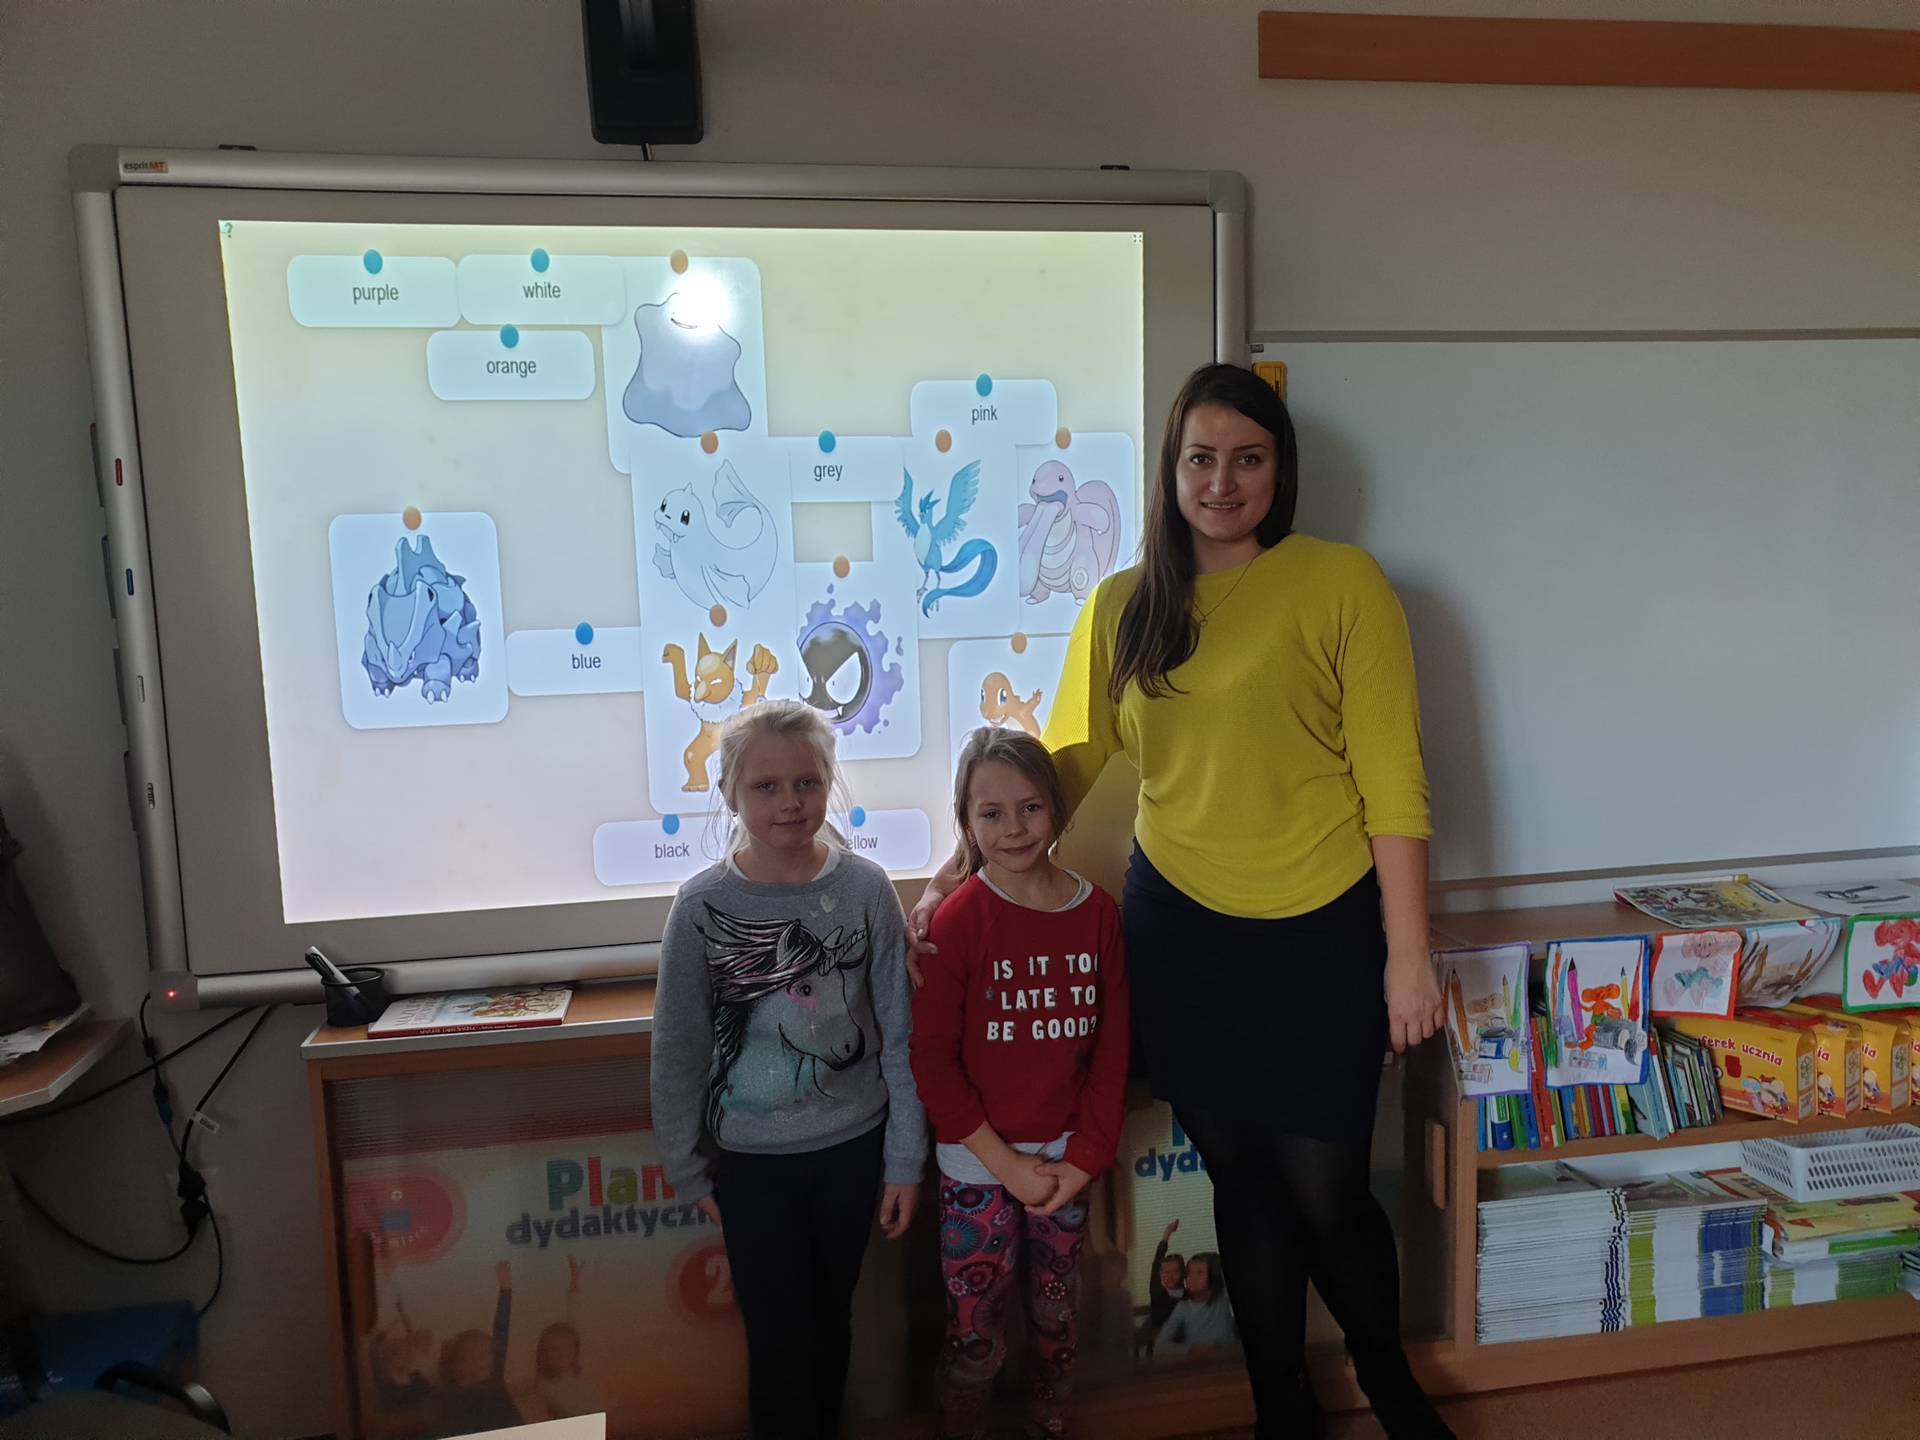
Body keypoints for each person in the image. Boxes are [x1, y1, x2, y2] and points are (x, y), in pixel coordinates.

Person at [911, 363, 1451, 1439]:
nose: (1222, 481)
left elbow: (1393, 779)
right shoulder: (1125, 604)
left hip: (1324, 930)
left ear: (1280, 471)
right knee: (1241, 1183)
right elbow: (1066, 761)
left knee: (1328, 1189)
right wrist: (959, 864)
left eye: (1248, 459)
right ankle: (1280, 1405)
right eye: (1201, 459)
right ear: (1170, 470)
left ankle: (1391, 1388)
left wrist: (1408, 954)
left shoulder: (1342, 583)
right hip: (1183, 937)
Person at [651, 700, 927, 1440]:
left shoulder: (866, 889)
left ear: (829, 783)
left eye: (807, 783)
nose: (790, 802)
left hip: (851, 1152)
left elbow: (900, 1035)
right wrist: (686, 1168)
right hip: (750, 1166)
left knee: (830, 1325)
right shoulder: (701, 906)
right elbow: (677, 1047)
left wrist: (905, 1158)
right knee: (778, 1341)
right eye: (765, 786)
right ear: (729, 793)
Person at [909, 726, 1130, 1440]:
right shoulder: (955, 921)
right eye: (992, 813)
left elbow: (1113, 1052)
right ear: (966, 822)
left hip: (1067, 1166)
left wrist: (1086, 1158)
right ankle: (964, 1423)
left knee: (1057, 1317)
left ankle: (1048, 1420)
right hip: (977, 1168)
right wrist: (1005, 1165)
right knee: (975, 1326)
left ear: (1056, 808)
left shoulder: (1099, 915)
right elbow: (932, 1063)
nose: (1013, 828)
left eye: (1030, 807)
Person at [434, 1261, 524, 1436]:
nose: (489, 1359)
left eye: (489, 1353)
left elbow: (501, 1330)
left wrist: (506, 1289)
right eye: (480, 1355)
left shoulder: (494, 1382)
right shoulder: (450, 1401)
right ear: (457, 1364)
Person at [524, 1255, 606, 1422]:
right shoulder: (546, 1386)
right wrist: (610, 1406)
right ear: (544, 1353)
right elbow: (577, 1412)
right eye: (556, 1349)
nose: (564, 1353)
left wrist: (574, 1282)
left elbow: (575, 1321)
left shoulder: (574, 1373)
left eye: (569, 1346)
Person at [1152, 1253, 1236, 1362]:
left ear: (1214, 1276)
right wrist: (1191, 1350)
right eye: (1189, 1273)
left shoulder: (1224, 1302)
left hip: (1230, 1362)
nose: (1191, 1278)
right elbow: (1159, 1346)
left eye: (1200, 1272)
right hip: (1199, 1364)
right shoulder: (1183, 1307)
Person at [1135, 1218, 1186, 1357]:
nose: (1170, 1276)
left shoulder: (1189, 1296)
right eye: (1166, 1272)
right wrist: (1166, 1235)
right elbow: (1157, 1262)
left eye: (1175, 1272)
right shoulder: (1158, 1293)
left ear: (1183, 1273)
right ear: (1161, 1274)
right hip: (1157, 1350)